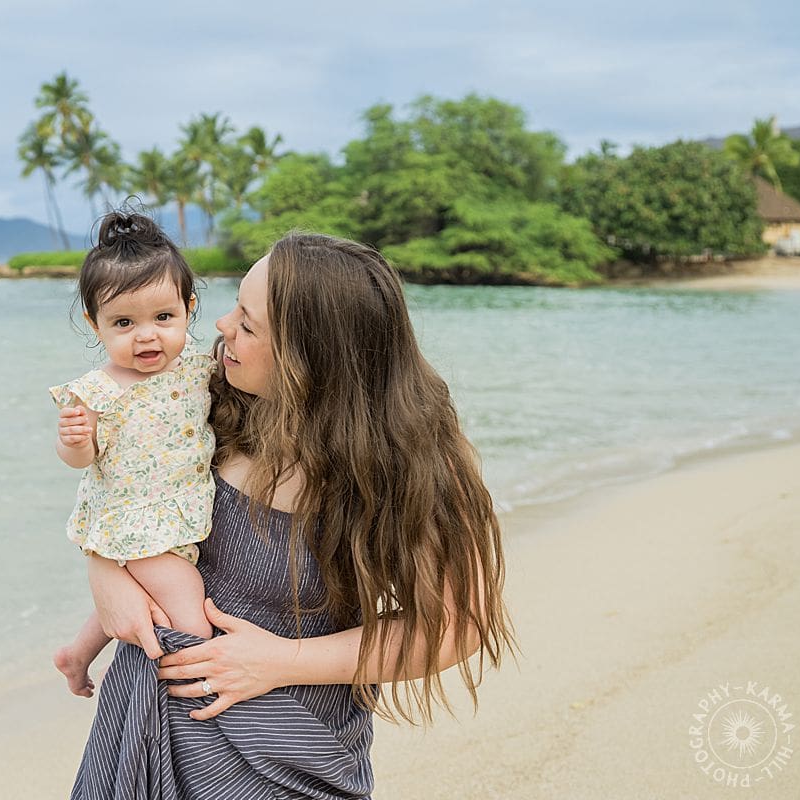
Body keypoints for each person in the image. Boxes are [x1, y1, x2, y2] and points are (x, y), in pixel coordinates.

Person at [71, 232, 518, 799]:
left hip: (286, 755)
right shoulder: (208, 398)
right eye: (234, 305)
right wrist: (104, 571)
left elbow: (455, 626)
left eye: (249, 324)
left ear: (311, 355)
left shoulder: (404, 463)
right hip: (140, 728)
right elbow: (120, 487)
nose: (221, 327)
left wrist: (283, 660)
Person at [49, 211, 218, 698]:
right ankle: (194, 688)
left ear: (188, 308)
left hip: (181, 512)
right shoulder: (97, 392)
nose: (146, 335)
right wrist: (75, 440)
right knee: (186, 602)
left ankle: (76, 655)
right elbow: (77, 461)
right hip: (133, 520)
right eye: (124, 322)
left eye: (163, 318)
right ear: (94, 323)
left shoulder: (196, 369)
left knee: (135, 597)